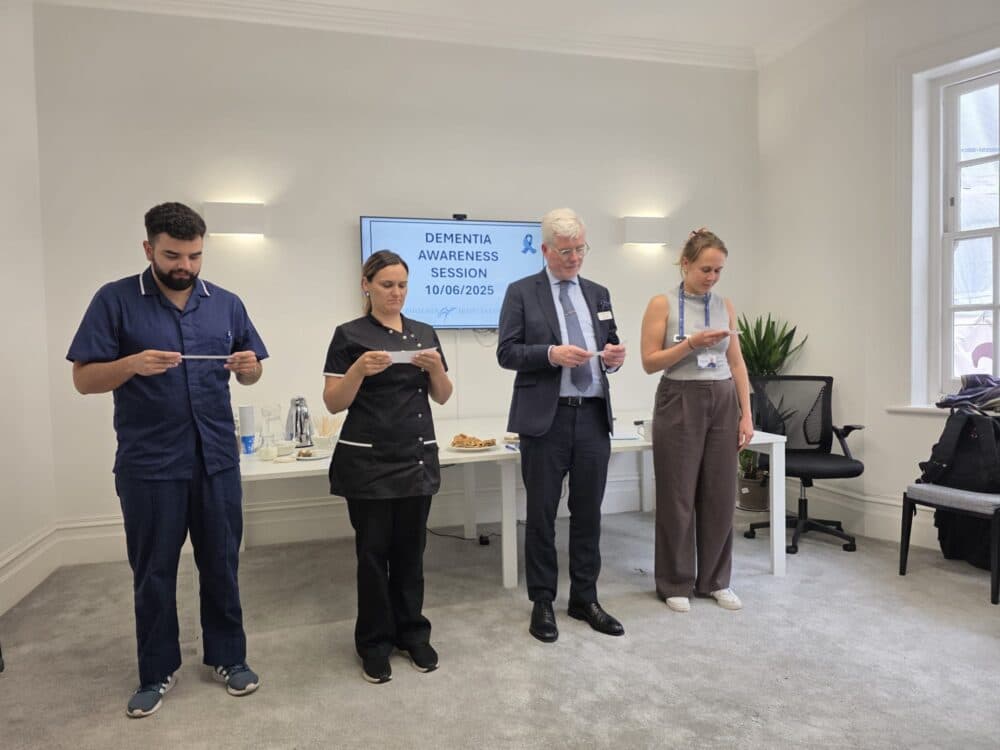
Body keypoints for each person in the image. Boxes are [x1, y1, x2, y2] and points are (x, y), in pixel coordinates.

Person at [67, 202, 268, 717]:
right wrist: (131, 364)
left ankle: (228, 657)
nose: (185, 266)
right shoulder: (114, 300)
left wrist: (248, 368)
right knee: (154, 570)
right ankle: (156, 670)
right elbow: (84, 379)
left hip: (216, 459)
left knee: (221, 562)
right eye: (173, 255)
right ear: (148, 248)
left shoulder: (227, 303)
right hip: (150, 465)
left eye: (195, 256)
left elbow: (252, 374)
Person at [322, 250, 453, 684]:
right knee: (373, 556)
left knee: (411, 555)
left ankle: (412, 633)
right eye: (386, 285)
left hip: (415, 458)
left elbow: (442, 395)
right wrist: (358, 370)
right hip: (368, 462)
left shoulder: (424, 333)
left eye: (402, 285)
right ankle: (374, 642)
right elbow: (334, 401)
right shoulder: (349, 335)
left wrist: (437, 369)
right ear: (367, 285)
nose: (396, 293)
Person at [497, 207, 627, 643]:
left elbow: (609, 344)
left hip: (592, 416)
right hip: (545, 420)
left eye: (580, 249)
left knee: (589, 513)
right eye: (566, 251)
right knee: (541, 515)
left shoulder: (598, 293)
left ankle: (585, 598)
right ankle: (542, 601)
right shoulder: (521, 292)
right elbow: (507, 352)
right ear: (545, 249)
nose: (574, 258)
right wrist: (550, 355)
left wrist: (615, 358)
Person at [639, 228, 754, 613]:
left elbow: (736, 362)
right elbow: (649, 362)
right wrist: (690, 344)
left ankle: (716, 580)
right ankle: (675, 581)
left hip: (722, 399)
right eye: (706, 269)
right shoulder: (662, 304)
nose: (712, 277)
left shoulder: (725, 305)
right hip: (680, 397)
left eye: (718, 270)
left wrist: (746, 415)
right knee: (677, 494)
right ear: (685, 264)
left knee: (720, 494)